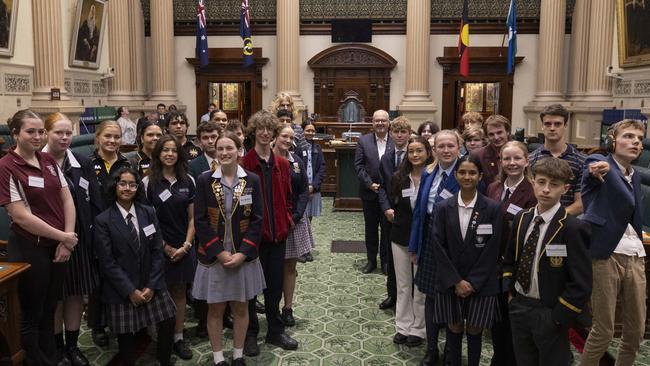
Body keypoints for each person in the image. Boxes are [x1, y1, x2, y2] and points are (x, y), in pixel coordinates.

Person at [0, 109, 78, 366]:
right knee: (31, 314)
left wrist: (65, 240)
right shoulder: (6, 166)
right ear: (15, 134)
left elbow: (67, 198)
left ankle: (51, 358)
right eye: (29, 131)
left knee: (49, 308)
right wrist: (64, 237)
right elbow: (21, 216)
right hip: (29, 247)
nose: (37, 136)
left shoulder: (48, 161)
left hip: (57, 247)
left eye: (40, 131)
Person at [502, 157, 592, 366]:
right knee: (524, 360)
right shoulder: (522, 218)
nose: (546, 190)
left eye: (554, 184)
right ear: (532, 181)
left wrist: (559, 315)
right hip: (520, 305)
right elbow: (510, 258)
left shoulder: (573, 228)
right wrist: (510, 291)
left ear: (565, 188)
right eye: (541, 182)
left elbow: (581, 282)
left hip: (550, 310)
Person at [192, 131, 265, 366]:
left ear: (239, 150)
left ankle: (238, 354)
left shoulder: (252, 180)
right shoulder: (205, 180)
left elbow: (257, 219)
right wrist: (220, 253)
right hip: (215, 257)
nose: (224, 153)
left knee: (242, 308)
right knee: (215, 310)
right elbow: (200, 221)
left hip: (243, 255)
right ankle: (218, 357)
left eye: (229, 148)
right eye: (220, 148)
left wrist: (243, 252)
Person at [93, 167, 176, 366]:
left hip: (151, 282)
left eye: (132, 184)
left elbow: (157, 250)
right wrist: (130, 291)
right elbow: (107, 262)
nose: (127, 188)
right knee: (126, 339)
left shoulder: (148, 212)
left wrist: (152, 285)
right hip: (122, 288)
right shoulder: (103, 220)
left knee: (169, 320)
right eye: (122, 183)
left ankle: (163, 360)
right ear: (115, 186)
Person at [579, 119, 646, 366]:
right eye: (629, 136)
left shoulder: (636, 175)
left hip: (636, 256)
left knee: (635, 332)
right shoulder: (601, 164)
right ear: (612, 141)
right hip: (606, 254)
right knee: (604, 331)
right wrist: (594, 171)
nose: (636, 142)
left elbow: (634, 214)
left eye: (639, 139)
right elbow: (591, 171)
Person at [44, 113, 104, 366]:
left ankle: (72, 346)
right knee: (55, 296)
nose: (65, 137)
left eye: (69, 132)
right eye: (59, 132)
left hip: (79, 241)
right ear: (47, 133)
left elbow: (95, 201)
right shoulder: (36, 163)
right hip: (49, 243)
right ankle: (56, 349)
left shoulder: (82, 162)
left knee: (76, 295)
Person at [431, 154, 502, 366]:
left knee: (474, 328)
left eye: (472, 173)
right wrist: (456, 281)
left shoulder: (492, 208)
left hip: (480, 283)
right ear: (456, 175)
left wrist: (472, 282)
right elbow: (437, 245)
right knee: (453, 326)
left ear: (480, 176)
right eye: (462, 172)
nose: (467, 176)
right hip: (450, 281)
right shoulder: (443, 207)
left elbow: (493, 249)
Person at [241, 110, 297, 355]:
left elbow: (287, 196)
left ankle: (274, 330)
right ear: (254, 132)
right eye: (260, 129)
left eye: (269, 130)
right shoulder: (244, 165)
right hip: (252, 240)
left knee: (274, 286)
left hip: (278, 236)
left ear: (274, 134)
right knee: (251, 289)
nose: (265, 133)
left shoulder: (283, 164)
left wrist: (287, 219)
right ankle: (251, 333)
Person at [408, 129, 462, 366]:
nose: (446, 150)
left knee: (451, 299)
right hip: (429, 240)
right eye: (441, 146)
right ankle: (431, 350)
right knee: (429, 297)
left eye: (451, 146)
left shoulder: (466, 172)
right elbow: (420, 213)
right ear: (435, 150)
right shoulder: (430, 173)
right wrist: (414, 246)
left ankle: (452, 352)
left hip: (455, 245)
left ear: (458, 148)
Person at [142, 135, 197, 361]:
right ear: (158, 154)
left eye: (174, 150)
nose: (170, 154)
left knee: (180, 293)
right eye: (165, 150)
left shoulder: (189, 181)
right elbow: (145, 221)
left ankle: (177, 337)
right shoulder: (147, 183)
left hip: (184, 246)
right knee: (158, 294)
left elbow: (193, 218)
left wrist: (185, 246)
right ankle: (159, 339)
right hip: (157, 248)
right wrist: (164, 247)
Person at [486, 140, 536, 366]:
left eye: (517, 158)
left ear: (526, 161)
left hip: (516, 267)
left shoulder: (533, 192)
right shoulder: (493, 188)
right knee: (497, 322)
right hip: (492, 267)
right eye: (507, 159)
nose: (512, 163)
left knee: (513, 324)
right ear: (500, 161)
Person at [386, 136, 432, 348]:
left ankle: (419, 328)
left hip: (424, 239)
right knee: (403, 284)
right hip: (401, 236)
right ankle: (403, 326)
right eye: (411, 151)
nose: (415, 155)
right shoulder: (399, 177)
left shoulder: (433, 178)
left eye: (419, 151)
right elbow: (393, 202)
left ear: (427, 152)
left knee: (420, 286)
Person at [89, 120, 132, 346]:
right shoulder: (87, 162)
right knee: (98, 278)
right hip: (96, 225)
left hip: (121, 225)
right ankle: (97, 326)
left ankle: (121, 321)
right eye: (108, 136)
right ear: (98, 137)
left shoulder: (127, 162)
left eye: (116, 137)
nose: (112, 141)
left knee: (121, 272)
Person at [272, 125, 313, 327]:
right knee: (272, 267)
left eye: (291, 137)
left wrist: (296, 216)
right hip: (272, 222)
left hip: (294, 222)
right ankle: (271, 307)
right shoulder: (267, 160)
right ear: (275, 136)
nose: (288, 140)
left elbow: (304, 189)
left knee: (290, 266)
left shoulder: (296, 161)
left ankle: (287, 308)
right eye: (284, 136)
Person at [377, 116, 411, 310]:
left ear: (408, 134)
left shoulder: (415, 154)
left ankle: (408, 297)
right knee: (391, 255)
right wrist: (386, 208)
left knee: (408, 256)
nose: (399, 135)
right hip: (389, 213)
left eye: (403, 132)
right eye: (396, 131)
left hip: (409, 214)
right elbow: (381, 186)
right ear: (391, 133)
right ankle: (392, 295)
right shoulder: (386, 157)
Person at [354, 109, 394, 274]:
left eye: (383, 120)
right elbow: (358, 165)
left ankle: (385, 262)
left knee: (386, 229)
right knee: (370, 229)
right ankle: (371, 260)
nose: (380, 123)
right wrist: (370, 184)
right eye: (377, 120)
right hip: (369, 193)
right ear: (372, 123)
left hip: (389, 194)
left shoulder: (395, 141)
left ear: (388, 123)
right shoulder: (363, 141)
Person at [529, 104, 586, 215]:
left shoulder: (581, 161)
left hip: (566, 223)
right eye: (547, 124)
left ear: (565, 126)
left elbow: (581, 204)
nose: (552, 128)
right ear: (542, 126)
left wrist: (553, 219)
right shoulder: (531, 159)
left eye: (558, 124)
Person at [470, 114, 511, 185]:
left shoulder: (519, 151)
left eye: (499, 132)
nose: (496, 137)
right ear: (487, 136)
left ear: (507, 132)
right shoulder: (477, 155)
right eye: (491, 134)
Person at [301, 120, 325, 222]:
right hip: (301, 188)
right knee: (301, 216)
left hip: (314, 188)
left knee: (309, 217)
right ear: (302, 131)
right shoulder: (298, 147)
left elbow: (322, 168)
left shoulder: (317, 147)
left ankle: (308, 237)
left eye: (312, 131)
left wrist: (313, 186)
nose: (310, 133)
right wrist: (306, 187)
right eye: (308, 130)